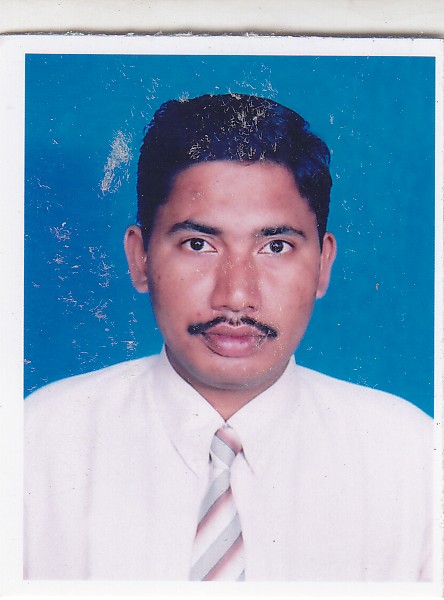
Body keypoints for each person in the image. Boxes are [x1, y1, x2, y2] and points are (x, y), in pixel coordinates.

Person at [24, 93, 432, 581]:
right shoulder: (35, 444)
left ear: (323, 263)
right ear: (140, 257)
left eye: (275, 246)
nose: (236, 296)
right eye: (199, 244)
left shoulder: (413, 459)